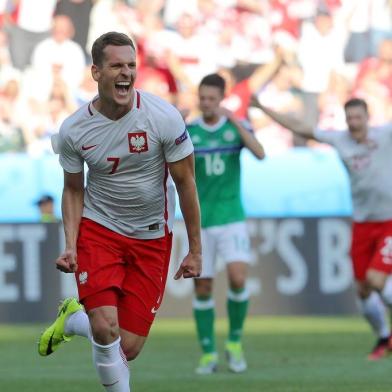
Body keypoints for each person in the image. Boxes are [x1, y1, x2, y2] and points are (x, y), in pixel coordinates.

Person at [38, 31, 202, 392]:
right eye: (116, 66)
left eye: (131, 65)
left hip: (152, 235)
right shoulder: (74, 130)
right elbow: (73, 188)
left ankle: (72, 321)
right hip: (100, 229)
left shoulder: (164, 118)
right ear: (96, 72)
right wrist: (71, 243)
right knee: (105, 327)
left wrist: (195, 249)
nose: (126, 73)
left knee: (126, 346)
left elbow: (186, 183)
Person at [252, 96, 392, 360]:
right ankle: (384, 338)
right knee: (363, 289)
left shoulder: (385, 135)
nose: (353, 123)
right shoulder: (340, 139)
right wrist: (264, 108)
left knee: (377, 280)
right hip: (362, 223)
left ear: (367, 117)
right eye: (349, 118)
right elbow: (301, 128)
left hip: (389, 222)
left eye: (358, 117)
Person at [187, 73, 265, 375]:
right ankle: (208, 353)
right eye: (202, 98)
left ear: (221, 99)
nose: (205, 103)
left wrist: (236, 122)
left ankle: (234, 343)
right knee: (203, 286)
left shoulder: (236, 128)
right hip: (200, 221)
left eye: (211, 98)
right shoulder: (190, 131)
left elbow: (260, 153)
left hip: (232, 216)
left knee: (237, 277)